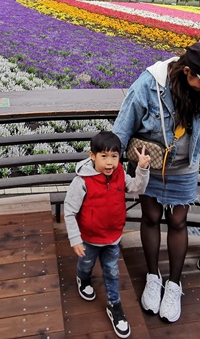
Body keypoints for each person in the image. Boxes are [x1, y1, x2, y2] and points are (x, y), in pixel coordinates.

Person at [113, 42, 200, 323]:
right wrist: (111, 161)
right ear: (187, 71)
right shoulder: (150, 83)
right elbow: (124, 123)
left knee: (178, 222)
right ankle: (152, 276)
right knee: (149, 217)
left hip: (184, 168)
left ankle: (174, 284)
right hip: (148, 164)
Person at [64, 131, 151, 338]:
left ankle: (114, 306)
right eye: (104, 156)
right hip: (89, 238)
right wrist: (75, 239)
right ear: (92, 156)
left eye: (114, 156)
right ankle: (83, 279)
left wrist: (142, 168)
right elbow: (69, 210)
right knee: (86, 264)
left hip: (113, 237)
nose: (110, 162)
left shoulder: (119, 173)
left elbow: (137, 187)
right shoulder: (82, 181)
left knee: (112, 272)